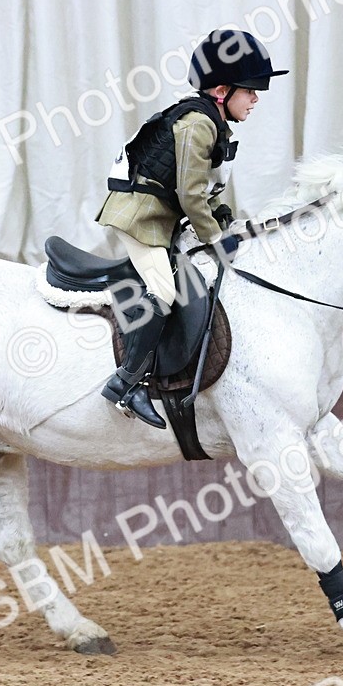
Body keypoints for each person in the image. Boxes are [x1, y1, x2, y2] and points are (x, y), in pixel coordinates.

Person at [95, 29, 287, 428]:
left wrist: (227, 222)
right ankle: (126, 383)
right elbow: (189, 195)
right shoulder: (199, 124)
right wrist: (215, 238)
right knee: (164, 289)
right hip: (142, 220)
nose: (256, 99)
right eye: (250, 91)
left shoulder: (213, 122)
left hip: (161, 217)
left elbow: (205, 190)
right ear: (221, 90)